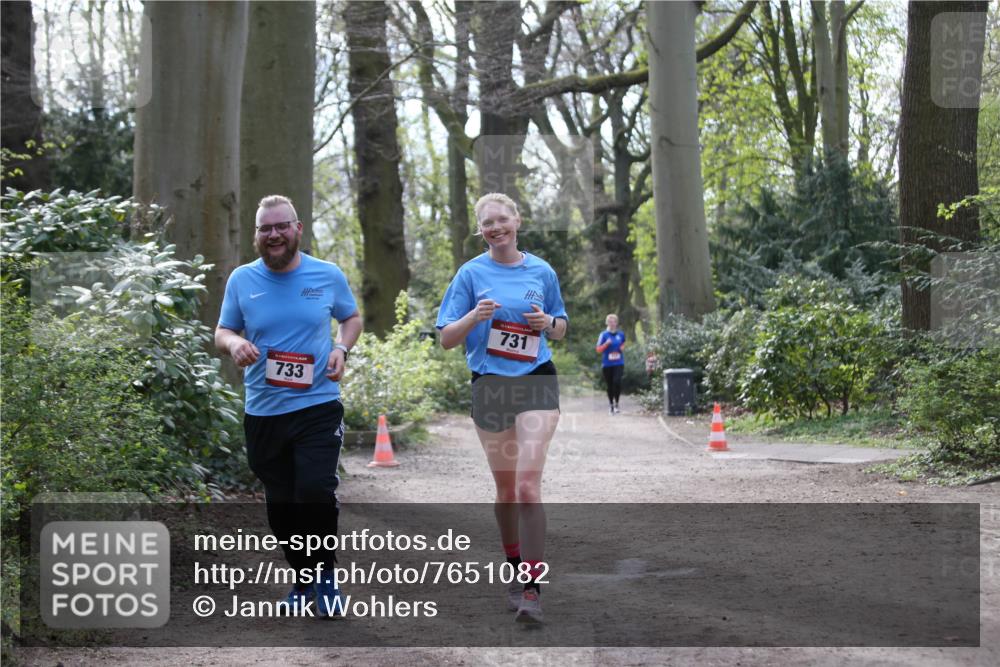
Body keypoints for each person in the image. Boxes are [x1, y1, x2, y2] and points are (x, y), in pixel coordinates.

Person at [215, 194, 362, 619]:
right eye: (265, 228)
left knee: (315, 490)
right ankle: (302, 577)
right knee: (281, 504)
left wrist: (341, 348)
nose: (274, 234)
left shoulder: (326, 274)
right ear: (256, 235)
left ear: (298, 229)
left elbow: (351, 318)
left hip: (318, 404)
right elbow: (222, 330)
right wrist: (235, 342)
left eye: (281, 226)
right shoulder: (242, 280)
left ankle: (326, 578)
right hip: (264, 410)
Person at [436, 192, 568, 624]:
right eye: (487, 223)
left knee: (529, 487)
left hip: (536, 381)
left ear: (517, 220)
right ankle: (513, 566)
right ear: (480, 230)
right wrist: (474, 317)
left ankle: (532, 589)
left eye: (502, 219)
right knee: (507, 491)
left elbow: (562, 327)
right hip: (490, 387)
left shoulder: (541, 271)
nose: (495, 227)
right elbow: (446, 338)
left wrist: (548, 324)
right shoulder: (470, 274)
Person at [596, 313, 626, 414]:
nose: (612, 323)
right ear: (607, 323)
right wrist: (606, 344)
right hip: (607, 364)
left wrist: (622, 348)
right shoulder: (603, 335)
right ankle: (611, 405)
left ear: (616, 323)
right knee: (610, 385)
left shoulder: (621, 334)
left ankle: (617, 404)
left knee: (617, 382)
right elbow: (598, 349)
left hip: (619, 362)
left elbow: (623, 343)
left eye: (614, 322)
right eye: (610, 322)